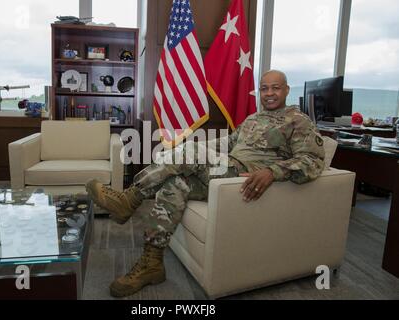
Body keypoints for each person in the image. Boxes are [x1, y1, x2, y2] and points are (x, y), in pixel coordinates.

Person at [86, 70, 326, 297]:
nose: (269, 93)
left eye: (275, 88)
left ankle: (129, 198)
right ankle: (152, 262)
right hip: (226, 170)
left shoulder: (298, 120)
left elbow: (312, 161)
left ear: (286, 90)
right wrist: (193, 150)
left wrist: (272, 172)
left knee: (188, 151)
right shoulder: (254, 118)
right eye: (264, 88)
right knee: (175, 182)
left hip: (245, 178)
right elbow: (229, 143)